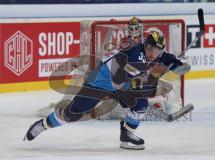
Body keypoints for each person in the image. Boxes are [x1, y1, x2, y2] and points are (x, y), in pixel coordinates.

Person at [24, 31, 191, 150]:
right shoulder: (133, 55)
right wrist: (147, 87)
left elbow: (168, 58)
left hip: (121, 83)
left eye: (157, 51)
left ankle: (127, 135)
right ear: (146, 46)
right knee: (72, 114)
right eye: (152, 50)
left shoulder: (152, 52)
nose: (154, 55)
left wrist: (180, 65)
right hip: (100, 82)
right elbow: (120, 81)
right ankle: (43, 125)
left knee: (140, 104)